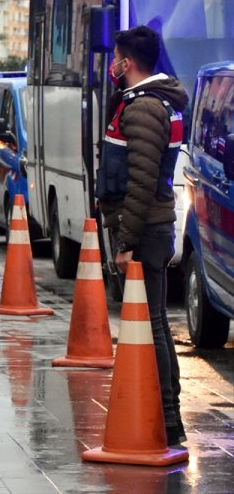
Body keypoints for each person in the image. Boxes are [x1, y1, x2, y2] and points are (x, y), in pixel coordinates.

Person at [96, 26, 188, 446]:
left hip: (146, 229)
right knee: (154, 323)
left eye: (116, 57)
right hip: (149, 225)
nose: (113, 65)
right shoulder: (150, 103)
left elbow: (142, 181)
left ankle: (167, 416)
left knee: (151, 323)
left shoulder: (144, 108)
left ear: (126, 62)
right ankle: (167, 412)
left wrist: (125, 242)